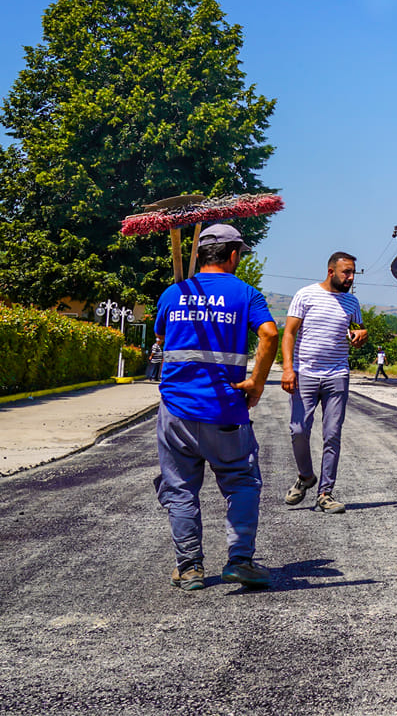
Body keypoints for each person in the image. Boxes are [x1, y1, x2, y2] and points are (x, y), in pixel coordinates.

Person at [152, 222, 280, 590]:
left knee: (179, 489)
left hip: (175, 409)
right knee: (240, 482)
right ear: (234, 255)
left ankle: (190, 568)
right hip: (224, 409)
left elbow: (162, 335)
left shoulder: (174, 292)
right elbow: (270, 333)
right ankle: (240, 560)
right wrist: (256, 381)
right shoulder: (246, 294)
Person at [281, 251, 366, 513]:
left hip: (337, 375)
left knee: (332, 435)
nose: (351, 277)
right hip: (305, 373)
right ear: (331, 272)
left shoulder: (352, 303)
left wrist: (361, 334)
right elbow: (289, 333)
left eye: (353, 272)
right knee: (298, 430)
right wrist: (287, 369)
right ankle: (306, 476)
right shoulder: (305, 295)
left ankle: (325, 493)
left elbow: (358, 330)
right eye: (346, 272)